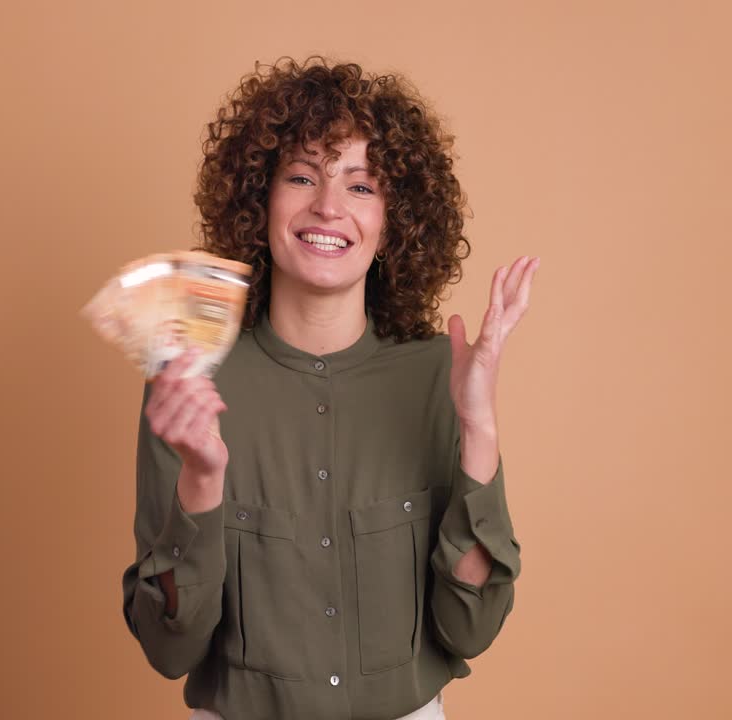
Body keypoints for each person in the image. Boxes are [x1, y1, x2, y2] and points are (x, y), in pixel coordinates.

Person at [121, 57, 540, 720]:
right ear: (257, 199)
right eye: (300, 176)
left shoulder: (440, 374)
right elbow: (169, 648)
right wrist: (202, 479)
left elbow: (470, 631)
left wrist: (479, 428)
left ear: (394, 219)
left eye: (361, 185)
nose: (327, 206)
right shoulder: (187, 377)